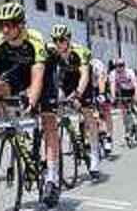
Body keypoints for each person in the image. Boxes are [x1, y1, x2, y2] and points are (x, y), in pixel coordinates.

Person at [41, 23, 102, 195]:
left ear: (68, 40)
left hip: (83, 82)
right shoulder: (54, 54)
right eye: (56, 40)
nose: (59, 43)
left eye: (62, 40)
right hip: (66, 79)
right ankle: (63, 128)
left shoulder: (79, 51)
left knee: (88, 113)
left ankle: (95, 153)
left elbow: (84, 75)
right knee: (56, 104)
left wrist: (77, 95)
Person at [90, 57, 113, 154]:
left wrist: (102, 94)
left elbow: (101, 80)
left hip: (102, 84)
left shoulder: (97, 65)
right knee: (90, 110)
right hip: (90, 87)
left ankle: (108, 137)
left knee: (105, 110)